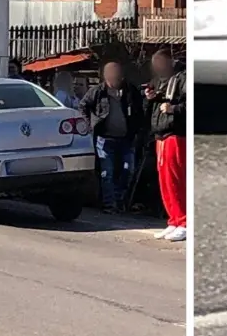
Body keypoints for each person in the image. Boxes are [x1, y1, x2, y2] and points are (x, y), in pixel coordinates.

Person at [79, 60, 146, 213]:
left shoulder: (130, 91)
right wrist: (89, 124)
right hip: (104, 139)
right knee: (106, 173)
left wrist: (138, 130)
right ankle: (109, 205)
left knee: (127, 170)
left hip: (126, 139)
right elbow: (83, 106)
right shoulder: (97, 91)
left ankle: (120, 200)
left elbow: (139, 110)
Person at [145, 49, 187, 242]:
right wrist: (152, 97)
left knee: (177, 178)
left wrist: (173, 109)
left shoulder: (183, 77)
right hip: (161, 133)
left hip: (175, 133)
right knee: (165, 180)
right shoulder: (161, 80)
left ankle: (184, 221)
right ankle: (174, 220)